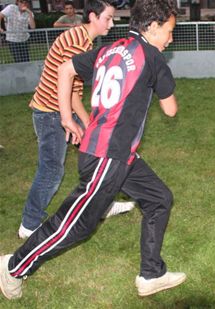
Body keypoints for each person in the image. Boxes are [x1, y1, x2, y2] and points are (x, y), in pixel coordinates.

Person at [0, 0, 185, 300]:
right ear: (152, 28)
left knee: (159, 198)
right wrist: (159, 82)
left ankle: (151, 274)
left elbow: (64, 69)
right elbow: (171, 109)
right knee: (74, 226)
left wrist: (65, 116)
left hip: (116, 154)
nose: (171, 38)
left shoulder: (109, 49)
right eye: (169, 31)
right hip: (107, 157)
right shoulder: (152, 57)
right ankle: (12, 266)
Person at [17, 0, 134, 240]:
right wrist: (79, 121)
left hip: (61, 110)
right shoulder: (77, 42)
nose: (112, 24)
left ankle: (101, 204)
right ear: (93, 16)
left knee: (98, 154)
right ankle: (29, 223)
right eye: (108, 18)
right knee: (51, 169)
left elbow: (73, 92)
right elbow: (68, 90)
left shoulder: (82, 39)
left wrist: (88, 123)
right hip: (51, 113)